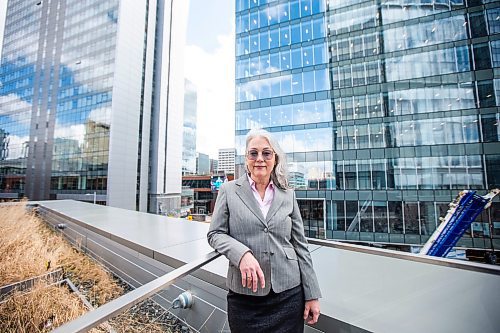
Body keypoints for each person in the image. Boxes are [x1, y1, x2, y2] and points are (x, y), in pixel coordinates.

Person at [207, 128, 321, 333]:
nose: (260, 158)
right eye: (254, 153)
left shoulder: (288, 195)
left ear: (274, 158)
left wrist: (312, 294)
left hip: (289, 294)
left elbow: (300, 246)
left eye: (266, 153)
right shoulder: (229, 190)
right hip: (245, 297)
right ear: (246, 158)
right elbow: (215, 234)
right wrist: (241, 255)